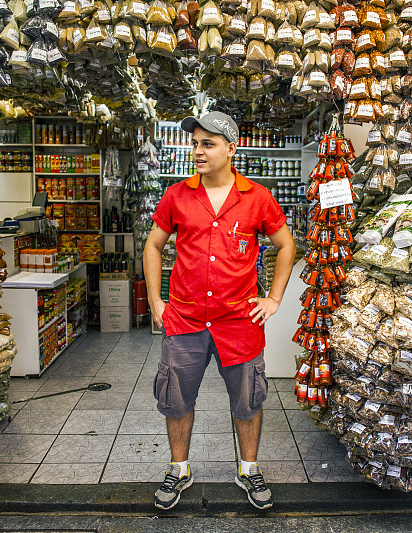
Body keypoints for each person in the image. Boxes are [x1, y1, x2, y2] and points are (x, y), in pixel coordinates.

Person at [143, 111, 296, 510]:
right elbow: (153, 245)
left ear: (230, 148)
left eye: (207, 144)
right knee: (176, 400)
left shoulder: (257, 198)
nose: (197, 151)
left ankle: (248, 468)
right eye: (194, 143)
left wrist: (275, 298)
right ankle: (179, 468)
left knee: (248, 400)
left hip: (238, 322)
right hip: (186, 318)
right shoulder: (177, 195)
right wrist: (156, 302)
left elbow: (286, 246)